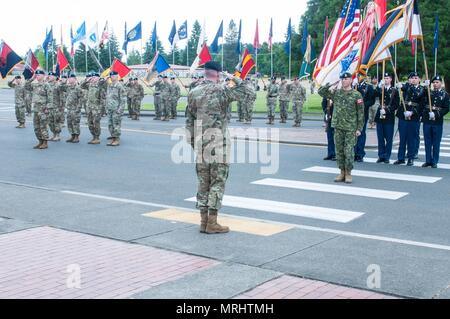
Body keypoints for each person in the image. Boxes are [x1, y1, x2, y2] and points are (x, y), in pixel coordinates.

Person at [186, 61, 247, 234]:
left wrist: (194, 143)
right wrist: (233, 77)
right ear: (218, 74)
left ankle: (203, 221)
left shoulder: (193, 92)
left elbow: (189, 121)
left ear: (205, 73)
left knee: (203, 182)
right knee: (217, 181)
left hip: (201, 143)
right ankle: (212, 222)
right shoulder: (222, 91)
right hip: (219, 143)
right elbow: (248, 93)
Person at [318, 72, 364, 184]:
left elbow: (361, 113)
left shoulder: (356, 94)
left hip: (350, 127)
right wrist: (331, 84)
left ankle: (348, 173)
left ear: (351, 80)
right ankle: (342, 172)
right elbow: (321, 92)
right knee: (339, 151)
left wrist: (359, 128)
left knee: (348, 151)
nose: (344, 81)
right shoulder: (336, 93)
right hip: (338, 126)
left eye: (346, 79)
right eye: (342, 79)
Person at [394, 72, 428, 166]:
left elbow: (421, 104)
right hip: (403, 115)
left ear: (419, 79)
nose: (414, 79)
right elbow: (403, 88)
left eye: (416, 78)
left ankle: (410, 158)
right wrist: (399, 85)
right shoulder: (406, 86)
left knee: (411, 138)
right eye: (412, 78)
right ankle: (400, 158)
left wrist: (413, 112)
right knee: (403, 137)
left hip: (414, 116)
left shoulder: (422, 89)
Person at [421, 75, 449, 168]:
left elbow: (446, 109)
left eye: (437, 82)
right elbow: (421, 96)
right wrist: (426, 86)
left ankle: (434, 161)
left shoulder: (445, 95)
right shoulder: (429, 93)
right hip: (427, 120)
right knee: (427, 141)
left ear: (441, 83)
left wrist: (436, 114)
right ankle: (428, 160)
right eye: (434, 82)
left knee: (436, 142)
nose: (435, 84)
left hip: (437, 121)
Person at [374, 73, 399, 164]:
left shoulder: (394, 91)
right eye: (384, 78)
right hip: (379, 115)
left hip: (389, 117)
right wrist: (378, 86)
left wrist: (387, 111)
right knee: (380, 137)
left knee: (388, 138)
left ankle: (387, 156)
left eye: (387, 78)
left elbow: (396, 104)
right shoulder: (381, 89)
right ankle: (381, 155)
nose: (386, 79)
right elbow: (374, 94)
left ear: (391, 79)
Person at [24, 70, 51, 149]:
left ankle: (45, 142)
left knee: (43, 126)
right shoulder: (34, 85)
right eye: (36, 75)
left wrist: (47, 108)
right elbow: (26, 86)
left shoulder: (46, 85)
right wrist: (32, 78)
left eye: (39, 75)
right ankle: (40, 141)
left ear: (43, 76)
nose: (37, 76)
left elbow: (50, 97)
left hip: (43, 109)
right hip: (36, 108)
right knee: (36, 126)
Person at [354, 78, 376, 162]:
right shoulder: (351, 85)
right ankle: (352, 152)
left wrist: (362, 105)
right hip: (351, 114)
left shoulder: (368, 87)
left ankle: (359, 154)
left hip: (363, 113)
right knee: (351, 133)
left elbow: (372, 101)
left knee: (361, 133)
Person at [80, 72, 104, 144]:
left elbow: (103, 98)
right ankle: (93, 136)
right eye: (92, 77)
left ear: (98, 78)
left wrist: (101, 109)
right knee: (90, 123)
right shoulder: (89, 85)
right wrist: (87, 80)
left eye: (94, 77)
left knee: (96, 122)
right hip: (89, 107)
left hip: (97, 108)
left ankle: (97, 137)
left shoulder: (100, 85)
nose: (93, 78)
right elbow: (81, 86)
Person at [104, 71, 127, 146]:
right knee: (110, 125)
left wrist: (119, 110)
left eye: (114, 76)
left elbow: (123, 100)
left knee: (116, 125)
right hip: (110, 109)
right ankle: (113, 138)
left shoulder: (120, 86)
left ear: (117, 76)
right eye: (111, 76)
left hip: (116, 110)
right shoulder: (110, 85)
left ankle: (117, 139)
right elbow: (108, 97)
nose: (112, 77)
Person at [64, 74, 84, 144]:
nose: (69, 79)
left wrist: (78, 108)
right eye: (69, 78)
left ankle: (76, 136)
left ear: (75, 79)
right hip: (69, 108)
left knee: (75, 123)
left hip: (75, 108)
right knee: (69, 123)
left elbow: (81, 98)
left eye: (71, 78)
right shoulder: (68, 87)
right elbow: (60, 87)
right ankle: (72, 135)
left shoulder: (78, 88)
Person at [46, 72, 62, 142]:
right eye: (49, 75)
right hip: (49, 107)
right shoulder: (47, 85)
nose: (49, 77)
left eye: (51, 76)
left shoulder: (58, 85)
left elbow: (61, 97)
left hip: (56, 107)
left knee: (56, 121)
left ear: (55, 77)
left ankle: (57, 135)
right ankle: (53, 134)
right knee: (50, 122)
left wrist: (61, 107)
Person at [322, 96, 336, 161]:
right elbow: (323, 103)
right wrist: (326, 110)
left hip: (339, 119)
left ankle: (337, 154)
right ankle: (331, 154)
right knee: (330, 137)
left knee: (338, 138)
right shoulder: (328, 94)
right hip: (330, 117)